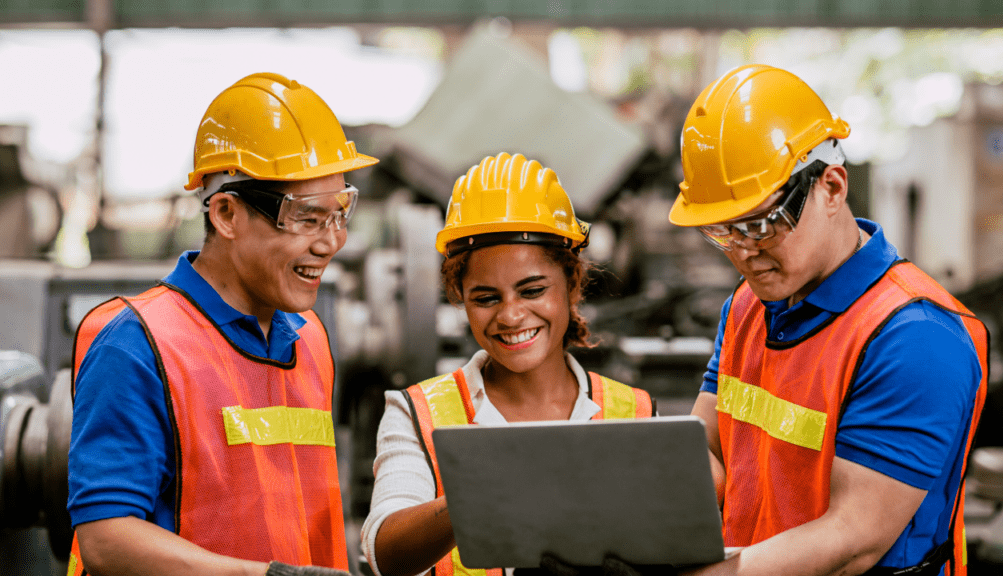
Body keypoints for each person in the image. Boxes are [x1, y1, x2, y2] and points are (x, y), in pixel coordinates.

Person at [665, 64, 988, 575]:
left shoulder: (916, 338)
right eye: (723, 232)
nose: (745, 253)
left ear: (832, 187)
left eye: (762, 224)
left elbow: (851, 541)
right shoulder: (749, 305)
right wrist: (631, 527)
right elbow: (709, 450)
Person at [66, 72, 379, 576]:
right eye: (306, 218)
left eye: (339, 214)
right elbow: (106, 539)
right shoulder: (138, 344)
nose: (331, 242)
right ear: (228, 213)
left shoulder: (309, 338)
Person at [360, 152, 656, 576]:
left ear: (571, 285)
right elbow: (385, 553)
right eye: (486, 298)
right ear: (459, 296)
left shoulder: (637, 413)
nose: (511, 316)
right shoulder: (416, 414)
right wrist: (486, 488)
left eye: (532, 291)